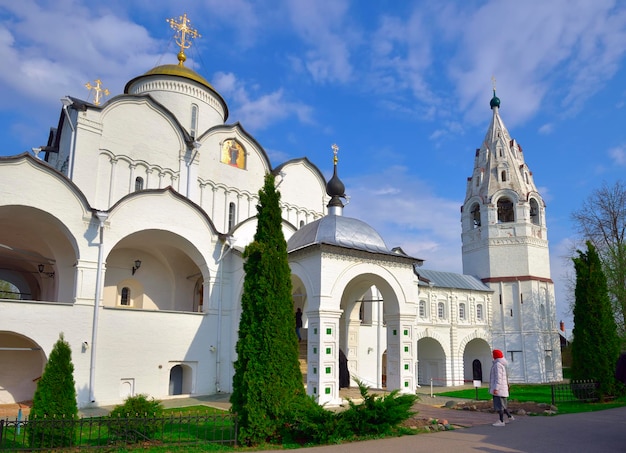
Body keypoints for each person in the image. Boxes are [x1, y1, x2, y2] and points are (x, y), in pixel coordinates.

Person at [489, 349, 514, 426]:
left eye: (493, 354)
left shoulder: (497, 365)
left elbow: (498, 378)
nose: (492, 356)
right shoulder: (501, 364)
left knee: (500, 405)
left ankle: (501, 421)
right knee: (503, 404)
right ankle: (509, 416)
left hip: (499, 389)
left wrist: (496, 388)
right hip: (502, 388)